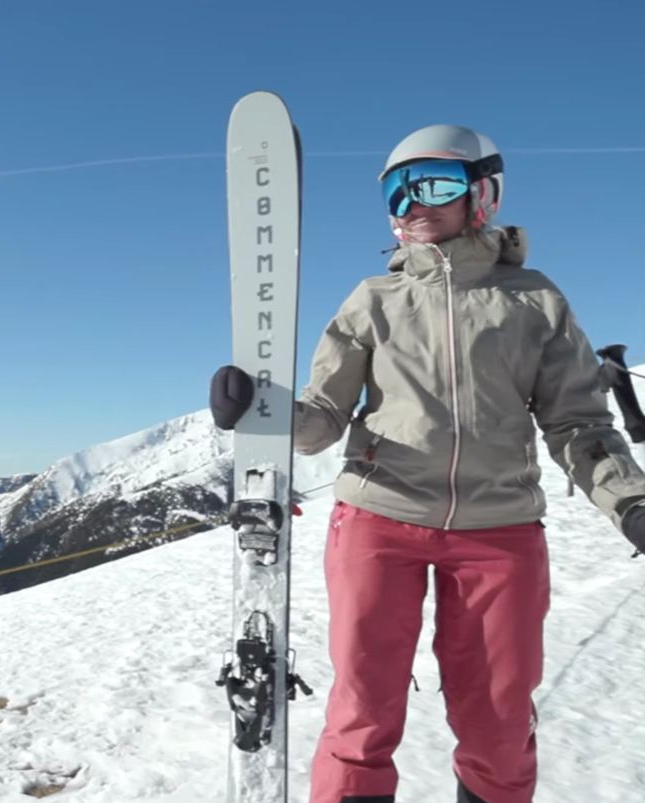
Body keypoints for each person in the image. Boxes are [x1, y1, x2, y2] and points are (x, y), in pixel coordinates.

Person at [209, 124, 645, 803]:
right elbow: (322, 419)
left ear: (484, 194)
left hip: (500, 528)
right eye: (397, 189)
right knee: (363, 710)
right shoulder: (372, 301)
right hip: (379, 518)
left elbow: (578, 423)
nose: (413, 203)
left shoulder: (536, 301)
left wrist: (631, 502)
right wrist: (265, 414)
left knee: (499, 719)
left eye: (435, 184)